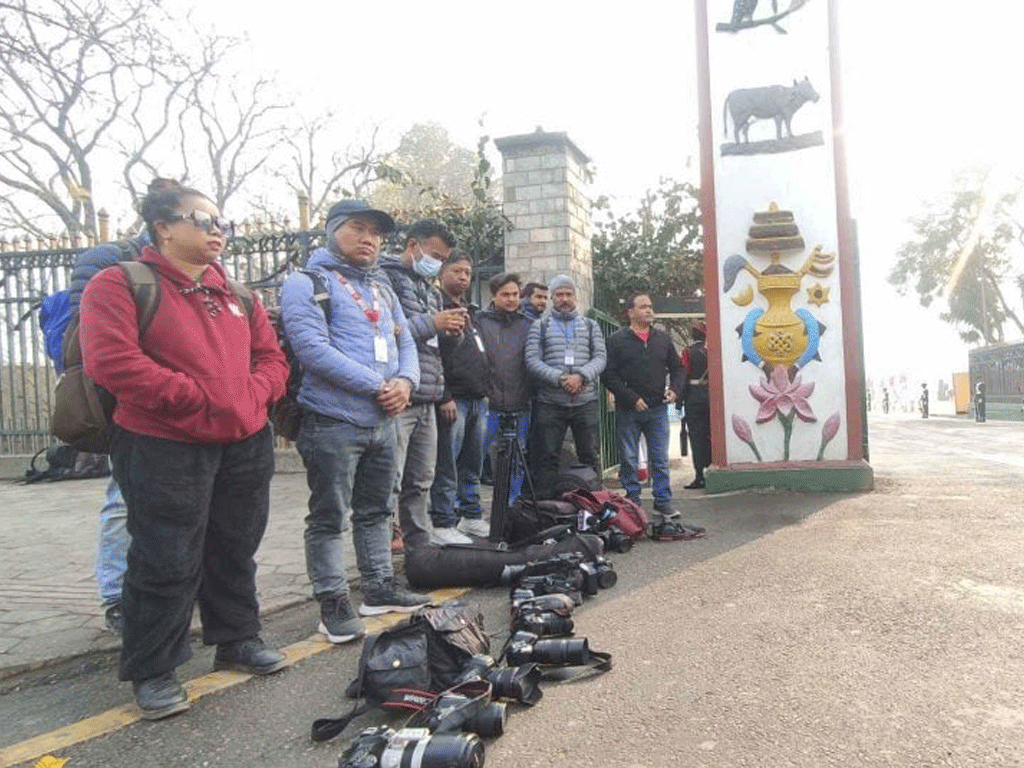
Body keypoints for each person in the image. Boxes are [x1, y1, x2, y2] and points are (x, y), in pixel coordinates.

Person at [79, 178, 290, 720]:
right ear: (163, 228)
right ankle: (154, 668)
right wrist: (194, 397)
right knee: (164, 554)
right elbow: (112, 362)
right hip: (162, 442)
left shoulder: (239, 296)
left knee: (235, 545)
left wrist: (250, 397)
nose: (216, 230)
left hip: (243, 439)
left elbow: (273, 360)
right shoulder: (120, 284)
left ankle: (237, 637)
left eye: (221, 222)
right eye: (202, 220)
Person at [281, 200, 432, 644]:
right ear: (331, 231)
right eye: (358, 228)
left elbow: (405, 342)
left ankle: (379, 587)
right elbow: (312, 349)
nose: (369, 239)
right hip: (332, 420)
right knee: (329, 515)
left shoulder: (381, 288)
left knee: (378, 509)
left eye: (376, 233)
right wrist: (378, 385)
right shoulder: (305, 283)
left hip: (383, 420)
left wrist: (405, 380)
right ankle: (332, 604)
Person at [66, 230, 151, 635]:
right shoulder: (107, 260)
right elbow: (86, 332)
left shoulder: (194, 263)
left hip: (168, 399)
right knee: (123, 499)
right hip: (118, 397)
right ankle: (117, 596)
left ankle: (170, 588)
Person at [380, 220, 472, 547]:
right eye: (435, 254)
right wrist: (432, 323)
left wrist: (453, 334)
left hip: (428, 394)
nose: (437, 263)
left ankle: (419, 543)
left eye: (442, 257)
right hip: (398, 394)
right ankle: (382, 546)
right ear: (412, 246)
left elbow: (437, 349)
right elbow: (388, 331)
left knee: (421, 479)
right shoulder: (384, 278)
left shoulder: (431, 291)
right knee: (390, 478)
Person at [602, 293, 694, 538]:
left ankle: (663, 500)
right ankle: (632, 502)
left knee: (659, 459)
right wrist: (631, 398)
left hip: (657, 409)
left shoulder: (662, 339)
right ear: (630, 312)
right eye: (643, 307)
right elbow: (608, 374)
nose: (649, 311)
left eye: (650, 307)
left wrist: (674, 390)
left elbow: (677, 369)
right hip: (629, 410)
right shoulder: (616, 341)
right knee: (630, 459)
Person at [525, 274, 606, 498]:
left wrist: (581, 376)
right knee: (547, 457)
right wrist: (561, 378)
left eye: (568, 294)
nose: (564, 299)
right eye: (559, 294)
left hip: (585, 401)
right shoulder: (539, 327)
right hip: (550, 402)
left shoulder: (591, 326)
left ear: (575, 298)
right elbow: (532, 361)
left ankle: (594, 504)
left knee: (590, 455)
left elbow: (600, 358)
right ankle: (546, 507)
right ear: (552, 298)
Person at [429, 251, 491, 538]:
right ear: (442, 273)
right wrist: (444, 396)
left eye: (467, 272)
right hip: (454, 402)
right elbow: (434, 357)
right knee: (447, 466)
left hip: (478, 401)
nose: (463, 277)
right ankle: (443, 521)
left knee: (473, 465)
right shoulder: (437, 310)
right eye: (457, 271)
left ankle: (471, 515)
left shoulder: (470, 311)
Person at [478, 273, 534, 505]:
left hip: (520, 404)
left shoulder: (529, 325)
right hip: (488, 404)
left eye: (515, 294)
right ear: (494, 296)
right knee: (476, 456)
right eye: (505, 295)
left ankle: (512, 506)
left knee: (517, 460)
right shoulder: (479, 322)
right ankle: (468, 508)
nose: (511, 299)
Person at [681, 321, 711, 489]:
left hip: (693, 397)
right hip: (710, 396)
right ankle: (710, 469)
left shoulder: (688, 352)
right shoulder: (710, 352)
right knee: (710, 435)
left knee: (696, 437)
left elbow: (683, 375)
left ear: (693, 335)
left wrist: (679, 402)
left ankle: (699, 476)